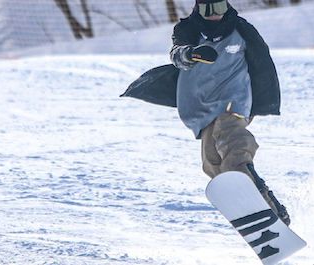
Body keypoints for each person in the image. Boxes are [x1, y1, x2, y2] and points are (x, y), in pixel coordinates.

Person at [122, 0, 290, 226]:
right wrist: (191, 54)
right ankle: (247, 205)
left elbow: (262, 61)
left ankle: (269, 209)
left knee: (232, 142)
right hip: (202, 106)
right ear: (198, 9)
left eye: (219, 8)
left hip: (235, 100)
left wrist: (264, 101)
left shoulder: (241, 29)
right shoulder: (187, 30)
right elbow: (177, 53)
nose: (214, 15)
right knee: (212, 163)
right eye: (207, 9)